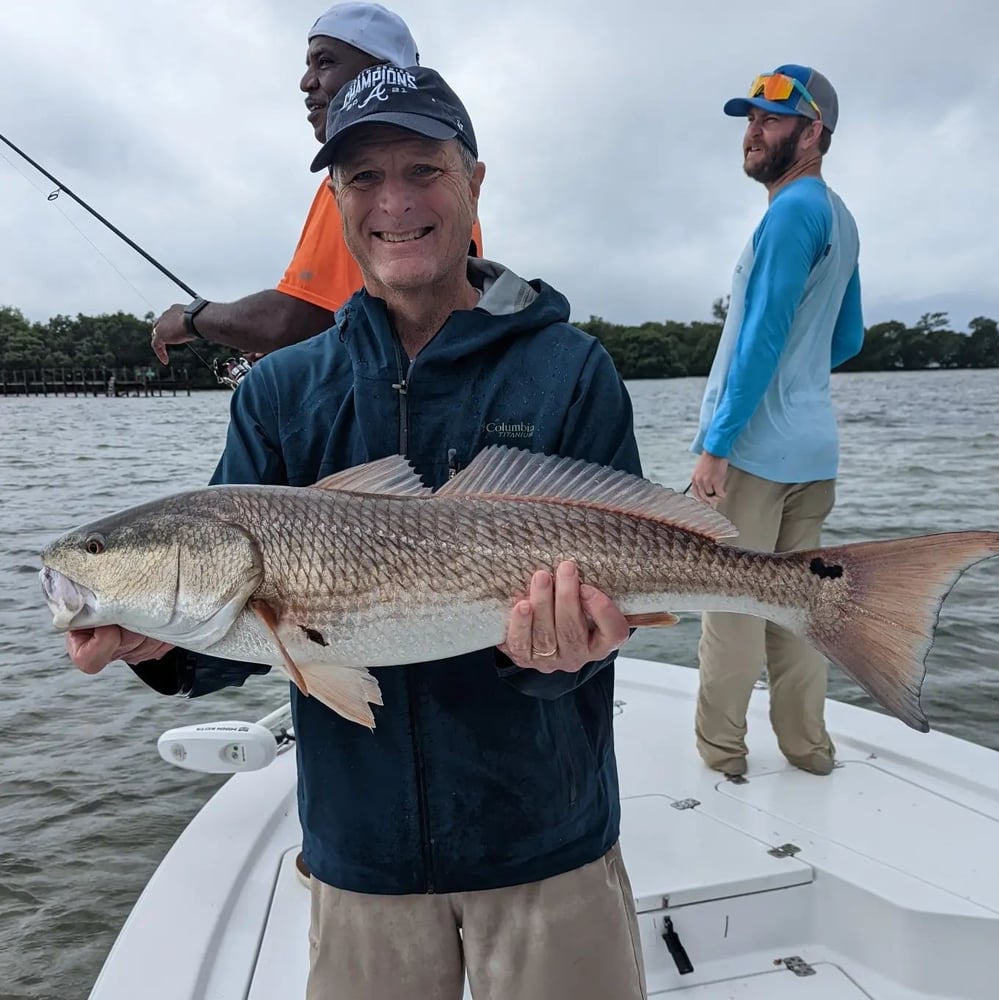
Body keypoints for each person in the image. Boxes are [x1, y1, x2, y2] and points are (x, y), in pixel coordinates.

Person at [68, 67, 647, 1000]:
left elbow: (610, 596)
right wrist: (161, 645)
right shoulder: (279, 394)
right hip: (361, 857)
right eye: (362, 179)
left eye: (422, 167)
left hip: (545, 839)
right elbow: (247, 632)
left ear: (474, 181)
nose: (395, 203)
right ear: (334, 198)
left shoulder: (567, 369)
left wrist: (568, 650)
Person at [689, 65, 864, 778]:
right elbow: (846, 336)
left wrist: (716, 444)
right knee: (801, 615)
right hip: (813, 452)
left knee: (728, 610)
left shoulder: (790, 212)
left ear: (812, 131)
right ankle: (807, 750)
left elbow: (760, 334)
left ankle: (721, 755)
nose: (751, 131)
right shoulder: (839, 217)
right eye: (749, 117)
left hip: (753, 454)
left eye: (769, 118)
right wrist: (800, 382)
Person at [150, 2, 482, 364]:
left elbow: (293, 320)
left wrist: (191, 317)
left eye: (324, 62)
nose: (306, 81)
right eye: (364, 175)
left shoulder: (363, 196)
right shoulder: (445, 185)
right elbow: (329, 320)